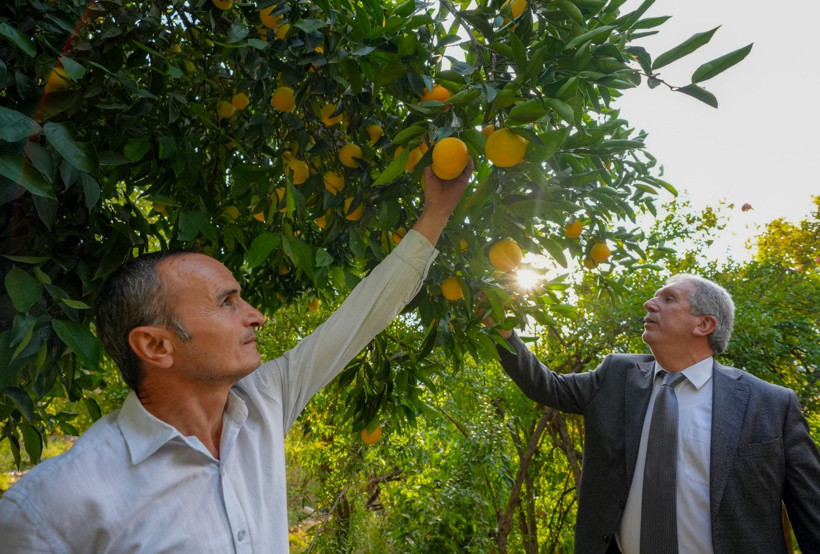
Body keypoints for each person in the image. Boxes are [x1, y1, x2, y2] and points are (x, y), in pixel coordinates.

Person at [0, 160, 473, 552]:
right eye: (227, 302)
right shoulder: (54, 505)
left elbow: (360, 319)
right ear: (156, 346)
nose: (257, 316)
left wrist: (436, 213)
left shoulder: (264, 402)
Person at [492, 273, 820, 553]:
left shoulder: (771, 404)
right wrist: (502, 330)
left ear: (704, 324)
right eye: (654, 298)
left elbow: (812, 513)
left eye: (668, 299)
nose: (650, 304)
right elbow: (546, 386)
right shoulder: (615, 375)